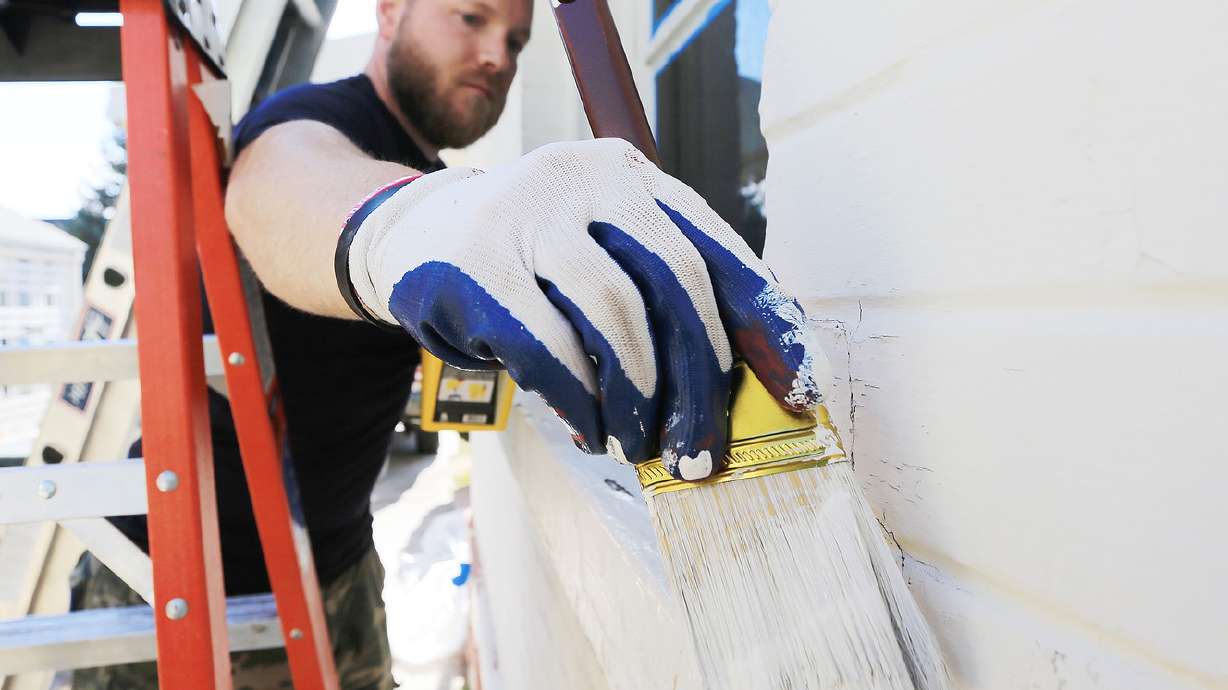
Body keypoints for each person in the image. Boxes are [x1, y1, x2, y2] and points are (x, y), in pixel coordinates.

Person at [71, 0, 825, 687]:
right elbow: (279, 197)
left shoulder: (427, 167)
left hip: (336, 564)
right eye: (471, 18)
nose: (498, 54)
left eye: (517, 40)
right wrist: (410, 226)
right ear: (391, 13)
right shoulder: (311, 121)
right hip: (174, 582)